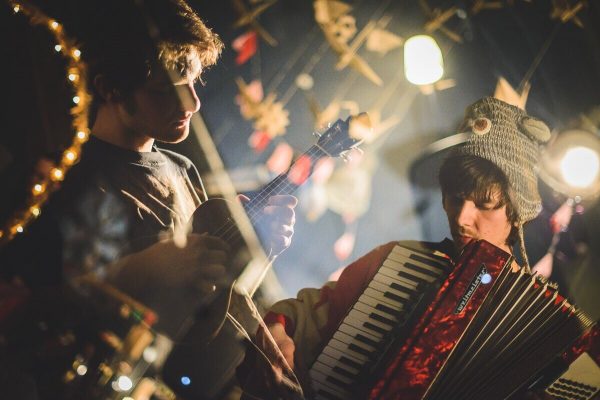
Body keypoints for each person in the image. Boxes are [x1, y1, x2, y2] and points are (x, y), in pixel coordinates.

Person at [0, 0, 296, 398]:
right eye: (168, 90)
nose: (193, 103)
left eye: (195, 82)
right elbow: (34, 315)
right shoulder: (65, 182)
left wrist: (263, 251)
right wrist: (140, 270)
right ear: (110, 89)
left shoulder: (182, 169)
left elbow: (210, 308)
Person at [238, 97, 553, 399]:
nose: (461, 218)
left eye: (483, 204)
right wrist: (277, 332)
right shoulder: (397, 261)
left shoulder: (543, 323)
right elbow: (306, 315)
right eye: (455, 199)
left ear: (516, 215)